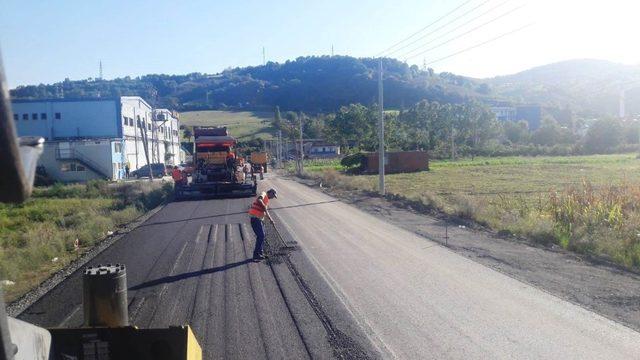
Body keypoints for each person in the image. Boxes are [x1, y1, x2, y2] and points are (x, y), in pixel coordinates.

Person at [248, 188, 277, 261]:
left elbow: (265, 212)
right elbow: (259, 199)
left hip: (259, 219)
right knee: (261, 236)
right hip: (255, 218)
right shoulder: (264, 194)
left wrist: (271, 220)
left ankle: (260, 253)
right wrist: (264, 206)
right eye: (273, 196)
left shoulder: (266, 200)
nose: (273, 197)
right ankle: (256, 255)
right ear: (270, 193)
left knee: (261, 236)